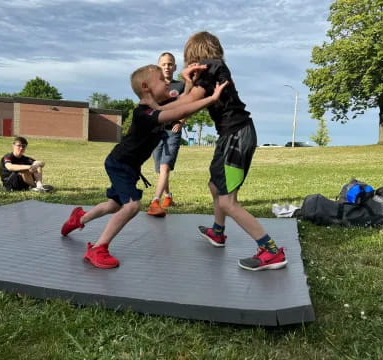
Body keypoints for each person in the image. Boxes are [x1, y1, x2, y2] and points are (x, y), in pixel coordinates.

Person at [60, 64, 228, 269]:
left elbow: (183, 100)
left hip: (129, 167)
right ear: (146, 87)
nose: (167, 82)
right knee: (131, 206)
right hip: (119, 163)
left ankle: (79, 218)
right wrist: (211, 99)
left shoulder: (158, 107)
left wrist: (189, 82)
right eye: (161, 79)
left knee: (114, 205)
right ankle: (98, 248)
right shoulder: (143, 113)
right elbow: (181, 109)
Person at [181, 31, 287, 271]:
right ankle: (218, 233)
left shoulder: (211, 68)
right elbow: (189, 104)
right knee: (215, 186)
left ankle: (271, 251)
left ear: (195, 53)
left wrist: (159, 108)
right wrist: (189, 85)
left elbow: (185, 106)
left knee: (228, 201)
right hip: (230, 135)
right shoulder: (213, 70)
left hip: (237, 136)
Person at [147, 52, 186, 217]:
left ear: (175, 67)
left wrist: (181, 121)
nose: (167, 67)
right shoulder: (154, 86)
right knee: (160, 168)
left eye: (170, 64)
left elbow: (188, 105)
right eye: (163, 64)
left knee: (165, 166)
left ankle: (155, 201)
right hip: (156, 130)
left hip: (172, 131)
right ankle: (168, 196)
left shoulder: (181, 86)